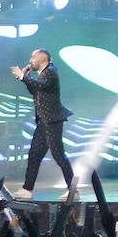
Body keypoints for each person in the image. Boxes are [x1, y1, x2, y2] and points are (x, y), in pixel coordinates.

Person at [10, 49, 74, 199]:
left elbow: (42, 85)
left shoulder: (50, 70)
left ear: (43, 58)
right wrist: (26, 76)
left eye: (33, 56)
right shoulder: (42, 73)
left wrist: (22, 76)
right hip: (43, 121)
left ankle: (73, 189)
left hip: (52, 120)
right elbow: (35, 90)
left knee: (58, 155)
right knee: (34, 154)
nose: (30, 59)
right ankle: (27, 189)